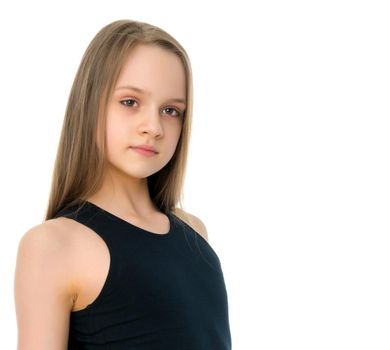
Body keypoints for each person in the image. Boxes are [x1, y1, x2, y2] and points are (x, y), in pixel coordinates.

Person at [14, 19, 232, 349]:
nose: (153, 126)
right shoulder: (53, 246)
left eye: (171, 110)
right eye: (130, 102)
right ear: (90, 104)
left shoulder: (195, 234)